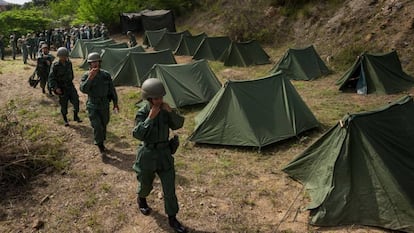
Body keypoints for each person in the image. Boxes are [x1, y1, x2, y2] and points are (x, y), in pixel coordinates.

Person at [132, 78, 187, 233]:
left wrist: (171, 112)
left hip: (164, 153)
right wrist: (150, 118)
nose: (159, 101)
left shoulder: (164, 109)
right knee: (145, 184)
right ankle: (141, 199)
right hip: (148, 154)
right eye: (156, 98)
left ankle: (172, 218)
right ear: (148, 98)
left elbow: (178, 124)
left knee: (169, 189)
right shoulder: (142, 112)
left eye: (161, 97)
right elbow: (137, 134)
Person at [80, 52, 119, 154]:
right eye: (93, 62)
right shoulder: (86, 75)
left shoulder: (106, 75)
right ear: (89, 64)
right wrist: (90, 78)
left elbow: (112, 90)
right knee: (97, 125)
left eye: (97, 61)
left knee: (104, 124)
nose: (95, 64)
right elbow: (83, 89)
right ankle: (100, 144)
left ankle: (101, 140)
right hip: (93, 105)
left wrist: (115, 103)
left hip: (104, 104)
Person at [48, 47, 82, 126]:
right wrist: (56, 88)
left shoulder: (69, 63)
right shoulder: (55, 65)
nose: (64, 58)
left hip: (70, 86)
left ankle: (76, 116)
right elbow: (51, 78)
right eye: (62, 56)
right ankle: (65, 119)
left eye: (65, 56)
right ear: (59, 56)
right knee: (64, 104)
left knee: (76, 101)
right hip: (61, 88)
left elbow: (71, 73)